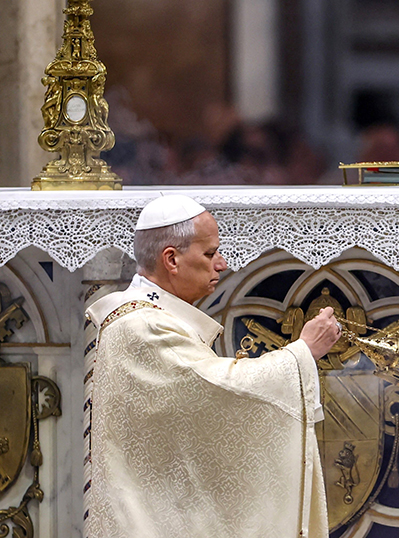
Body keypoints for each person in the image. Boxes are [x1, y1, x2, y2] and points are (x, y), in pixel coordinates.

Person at [85, 194, 340, 538]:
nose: (222, 264)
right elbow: (219, 388)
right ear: (171, 259)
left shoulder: (149, 318)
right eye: (209, 254)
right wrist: (303, 353)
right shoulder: (143, 327)